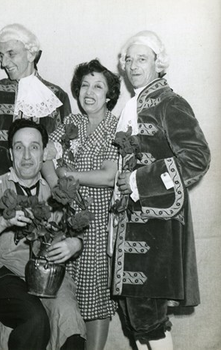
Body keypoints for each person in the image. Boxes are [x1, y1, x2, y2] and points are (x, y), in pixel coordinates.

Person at [112, 31, 210, 349]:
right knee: (138, 321)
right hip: (130, 230)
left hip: (157, 232)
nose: (134, 65)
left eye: (143, 58)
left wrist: (141, 181)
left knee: (149, 321)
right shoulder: (132, 105)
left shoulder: (170, 102)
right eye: (130, 59)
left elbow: (196, 159)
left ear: (158, 62)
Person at [0, 119, 86, 350]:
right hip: (2, 271)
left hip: (45, 275)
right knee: (35, 319)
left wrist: (75, 244)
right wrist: (3, 221)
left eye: (34, 147)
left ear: (43, 153)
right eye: (19, 147)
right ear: (11, 154)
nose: (27, 156)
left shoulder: (55, 193)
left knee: (70, 322)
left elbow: (76, 231)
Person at [42, 59, 121, 350]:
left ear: (110, 95)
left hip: (99, 224)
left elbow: (109, 176)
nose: (90, 91)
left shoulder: (116, 126)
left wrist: (69, 175)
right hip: (66, 221)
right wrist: (56, 187)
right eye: (85, 85)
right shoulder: (71, 123)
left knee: (96, 297)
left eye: (98, 86)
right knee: (66, 296)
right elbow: (46, 157)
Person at [0, 23, 71, 193]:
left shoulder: (58, 96)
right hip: (0, 188)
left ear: (31, 54)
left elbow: (68, 147)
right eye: (1, 55)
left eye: (11, 54)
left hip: (43, 193)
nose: (4, 63)